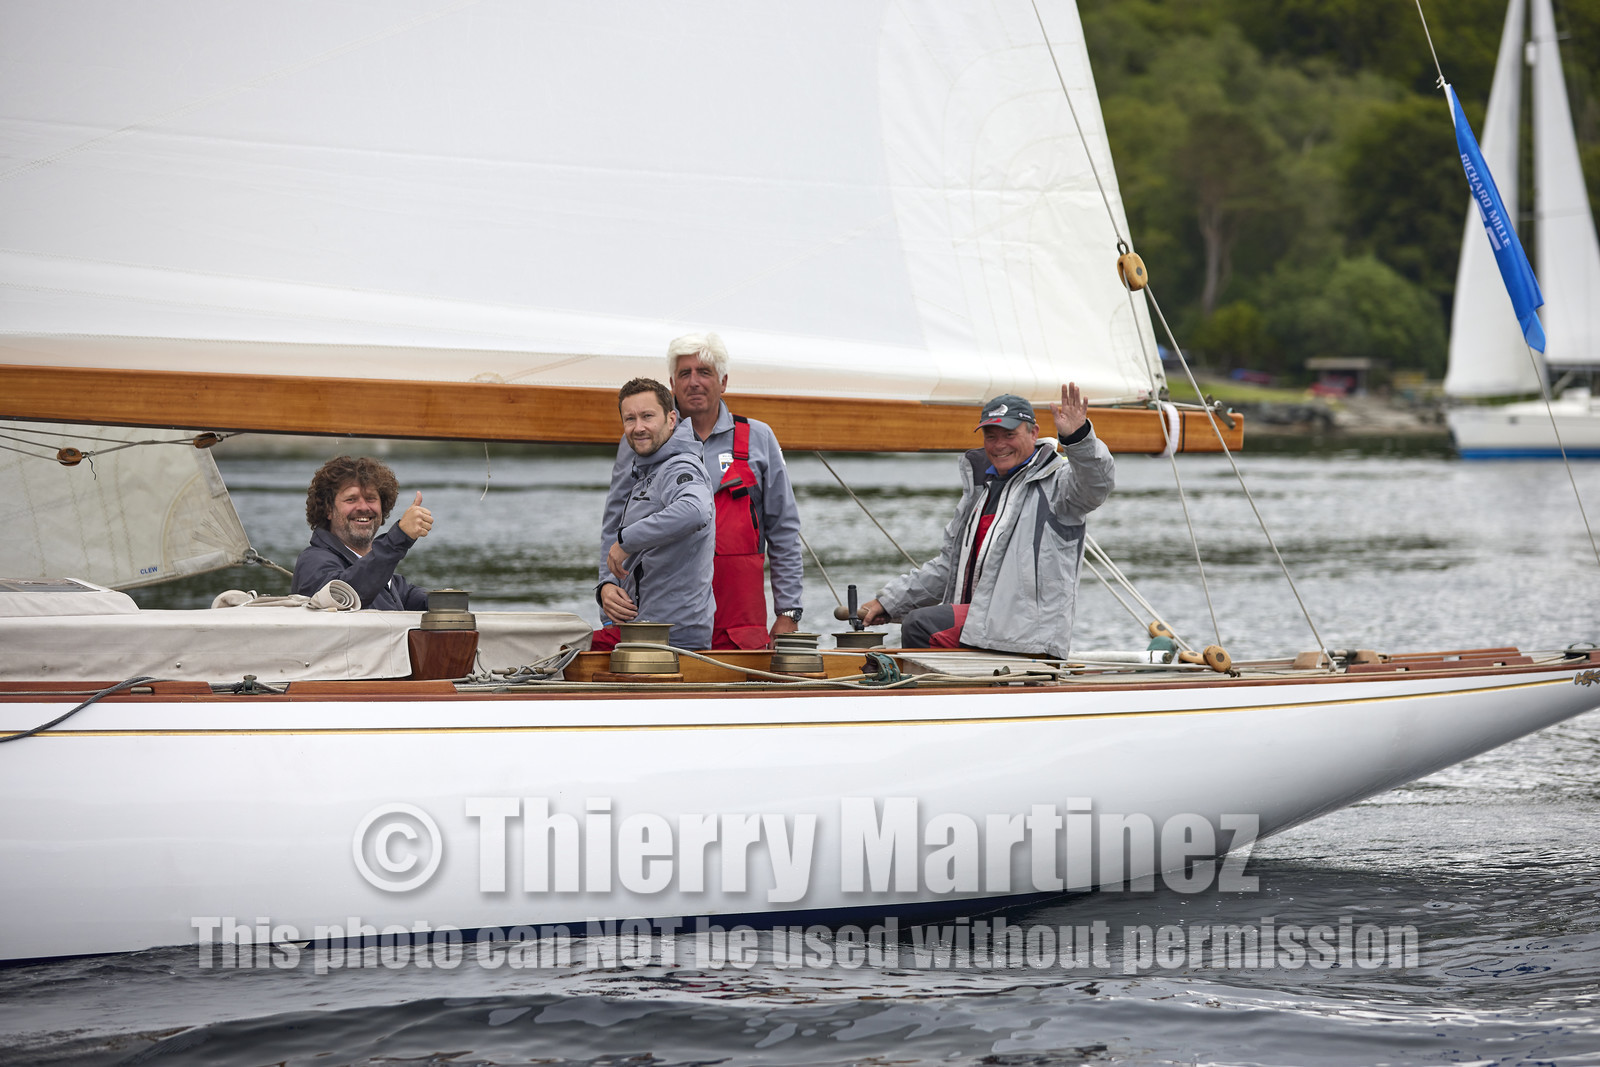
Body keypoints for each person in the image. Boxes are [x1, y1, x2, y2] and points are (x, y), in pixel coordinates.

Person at [858, 384, 1114, 658]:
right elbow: (947, 568)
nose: (999, 444)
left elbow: (1096, 484)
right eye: (991, 436)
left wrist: (1078, 438)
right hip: (981, 628)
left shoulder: (1058, 485)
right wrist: (889, 602)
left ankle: (929, 697)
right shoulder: (981, 491)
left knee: (921, 626)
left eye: (1009, 434)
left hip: (1025, 635)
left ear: (1034, 433)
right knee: (907, 636)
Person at [604, 331, 804, 649]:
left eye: (704, 372)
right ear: (672, 383)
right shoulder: (641, 439)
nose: (694, 382)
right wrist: (606, 584)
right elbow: (615, 523)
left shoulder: (759, 438)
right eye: (685, 373)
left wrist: (789, 611)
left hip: (738, 625)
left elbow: (784, 530)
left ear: (723, 382)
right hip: (664, 619)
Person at [593, 377, 716, 652]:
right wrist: (607, 586)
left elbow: (695, 510)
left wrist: (626, 541)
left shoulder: (679, 466)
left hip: (674, 641)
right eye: (630, 419)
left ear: (672, 419)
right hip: (643, 633)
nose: (638, 427)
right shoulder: (648, 470)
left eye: (647, 416)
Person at [291, 455, 433, 611]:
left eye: (371, 498)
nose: (363, 507)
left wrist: (448, 602)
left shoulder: (385, 579)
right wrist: (400, 537)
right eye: (351, 499)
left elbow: (407, 595)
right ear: (328, 510)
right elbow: (347, 595)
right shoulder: (312, 563)